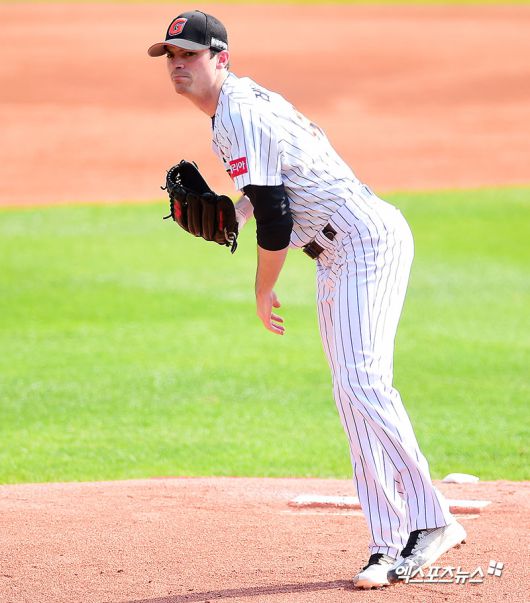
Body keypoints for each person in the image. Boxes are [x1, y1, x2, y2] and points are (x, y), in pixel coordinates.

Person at [147, 10, 467, 589]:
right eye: (171, 56)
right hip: (336, 253)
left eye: (190, 54)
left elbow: (276, 219)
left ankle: (432, 521)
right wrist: (235, 210)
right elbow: (274, 186)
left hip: (365, 240)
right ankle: (387, 540)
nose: (178, 65)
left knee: (364, 383)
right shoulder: (232, 110)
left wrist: (262, 286)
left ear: (221, 58)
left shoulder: (237, 113)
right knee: (351, 395)